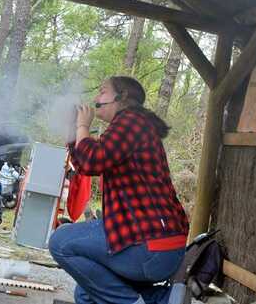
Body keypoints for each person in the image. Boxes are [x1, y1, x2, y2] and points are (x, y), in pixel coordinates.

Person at [48, 76, 189, 304]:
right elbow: (85, 165)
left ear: (121, 97)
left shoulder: (132, 121)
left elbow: (94, 160)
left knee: (60, 241)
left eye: (102, 92)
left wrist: (83, 126)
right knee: (86, 292)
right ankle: (162, 299)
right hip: (157, 247)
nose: (96, 98)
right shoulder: (131, 125)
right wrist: (72, 131)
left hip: (150, 246)